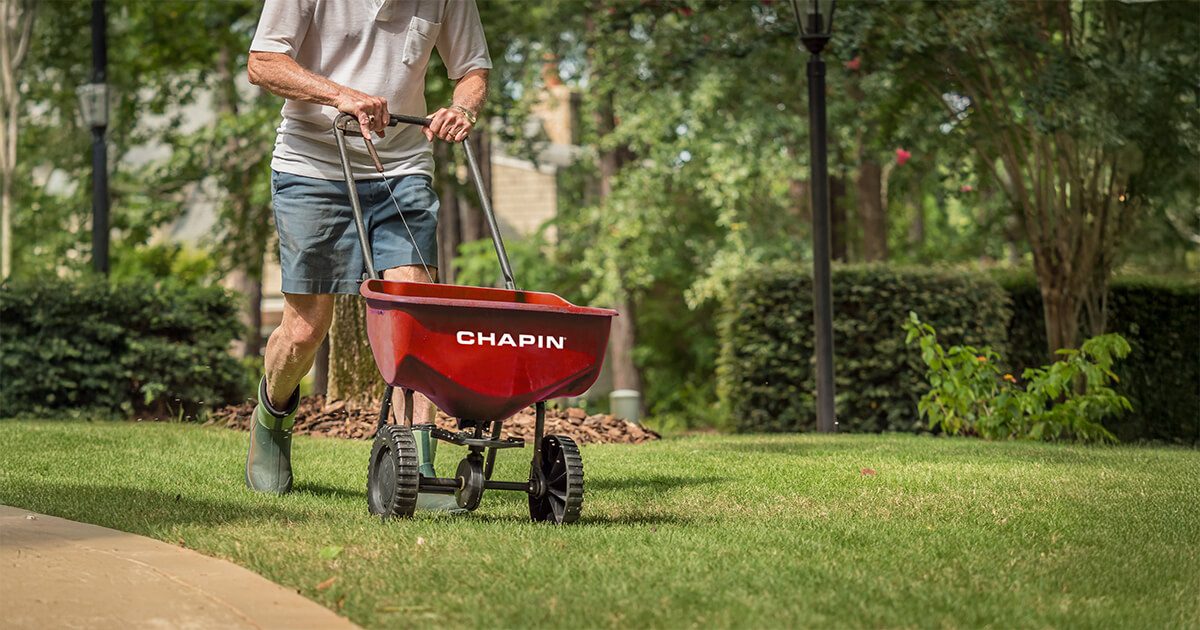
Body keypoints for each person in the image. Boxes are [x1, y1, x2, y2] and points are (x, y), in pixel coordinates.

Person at [243, 0, 490, 498]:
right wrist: (340, 96)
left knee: (413, 320)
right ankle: (271, 421)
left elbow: (473, 69)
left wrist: (462, 107)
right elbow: (263, 62)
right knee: (306, 328)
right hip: (311, 166)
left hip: (402, 169)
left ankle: (415, 465)